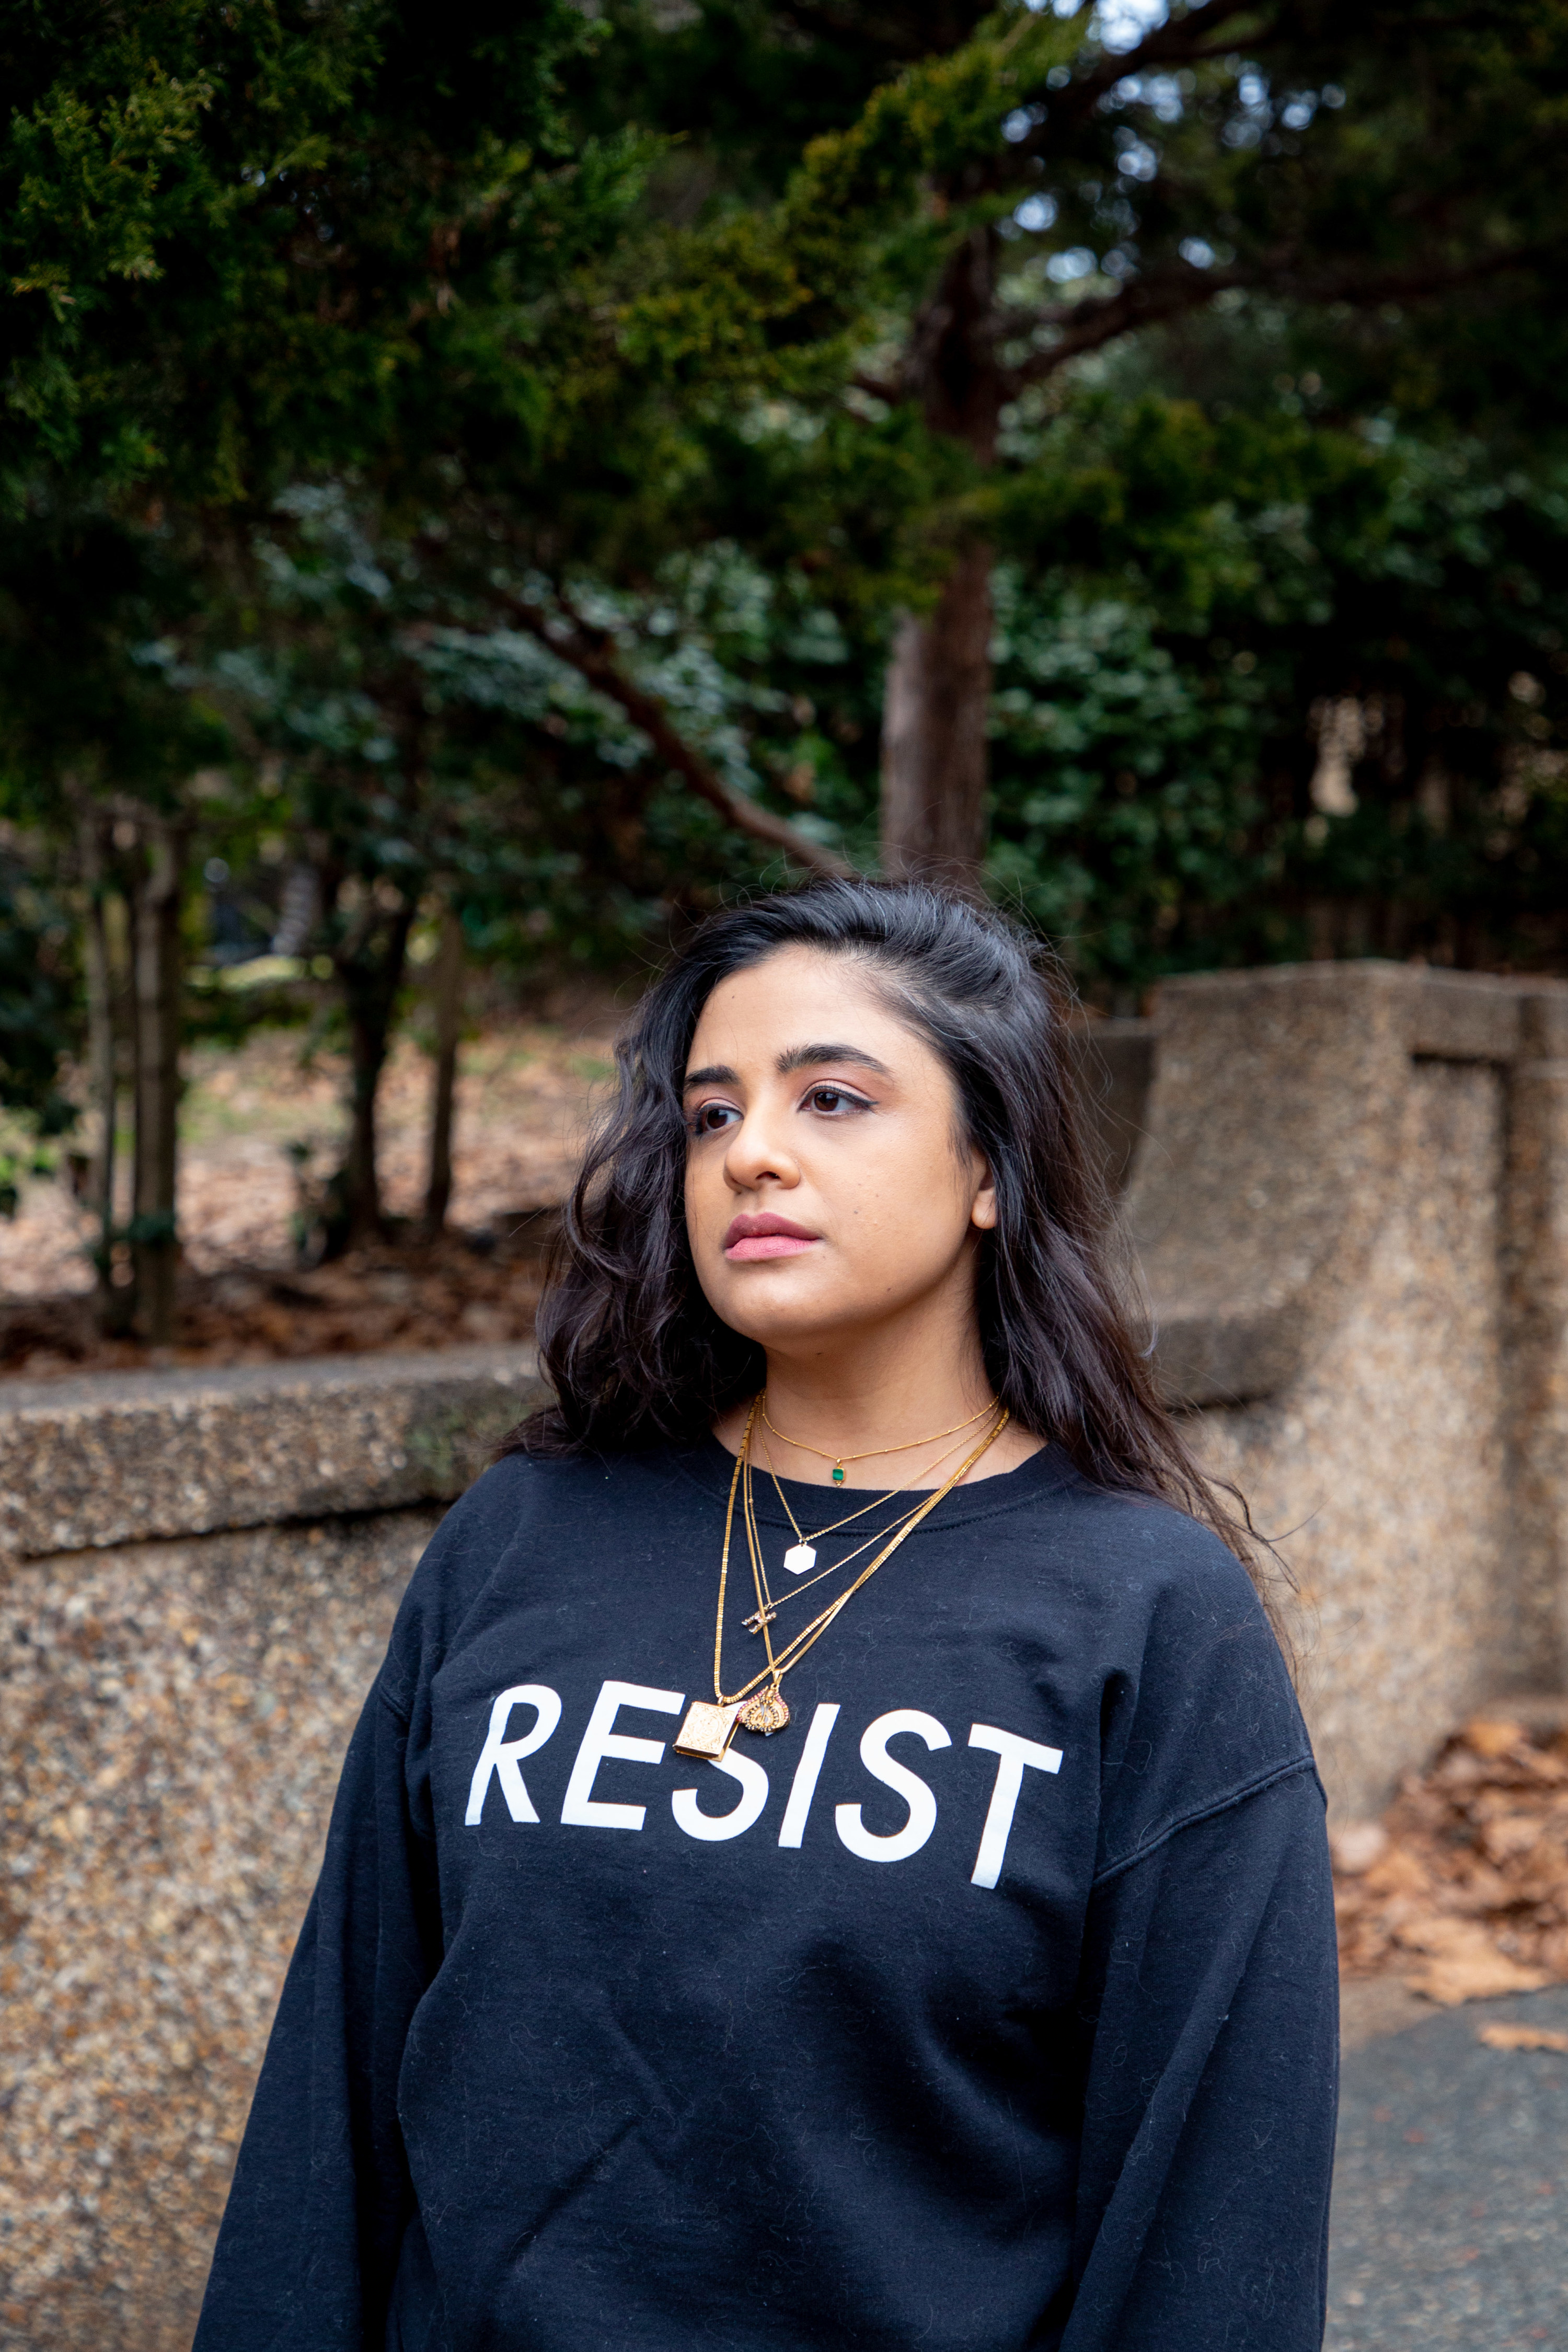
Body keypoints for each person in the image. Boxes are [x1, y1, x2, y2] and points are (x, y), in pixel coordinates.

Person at [195, 879, 1337, 2352]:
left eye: (835, 1100)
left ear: (990, 1167)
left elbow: (1211, 2228)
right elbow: (332, 2095)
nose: (755, 1156)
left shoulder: (1146, 1615)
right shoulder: (526, 1537)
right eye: (713, 1113)